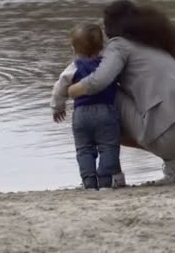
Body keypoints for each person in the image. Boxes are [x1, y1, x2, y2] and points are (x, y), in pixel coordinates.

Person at [67, 0, 175, 185]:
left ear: (110, 26)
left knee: (101, 101)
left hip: (172, 134)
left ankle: (113, 175)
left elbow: (99, 81)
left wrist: (70, 91)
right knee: (107, 106)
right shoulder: (153, 43)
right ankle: (174, 159)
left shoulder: (119, 45)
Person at [50, 24, 122, 190]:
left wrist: (58, 107)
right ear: (102, 47)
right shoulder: (107, 66)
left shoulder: (73, 68)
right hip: (106, 112)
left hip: (81, 115)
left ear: (73, 49)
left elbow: (59, 89)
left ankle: (89, 182)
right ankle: (105, 180)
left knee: (84, 149)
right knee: (109, 147)